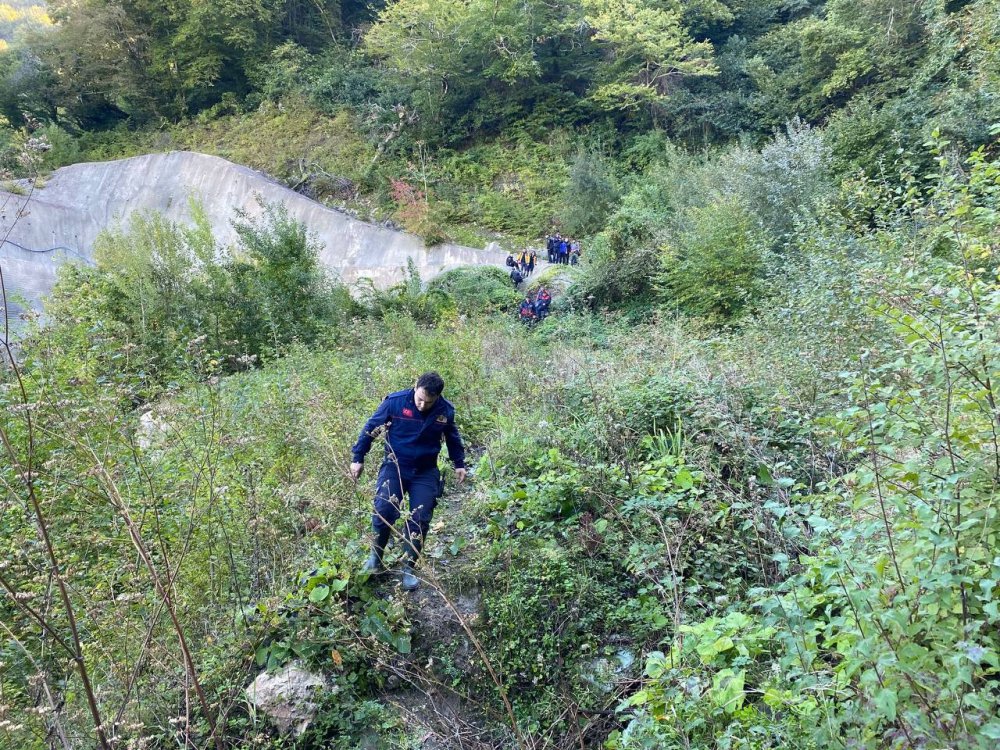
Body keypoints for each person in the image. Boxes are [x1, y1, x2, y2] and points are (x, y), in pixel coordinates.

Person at [352, 372, 466, 591]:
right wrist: (358, 458)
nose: (422, 405)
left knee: (420, 518)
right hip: (395, 466)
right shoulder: (395, 403)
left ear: (438, 398)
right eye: (420, 399)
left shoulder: (445, 410)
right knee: (384, 510)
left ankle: (408, 567)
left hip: (425, 471)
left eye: (428, 402)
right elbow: (371, 428)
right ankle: (376, 558)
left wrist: (459, 463)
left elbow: (452, 437)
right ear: (415, 387)